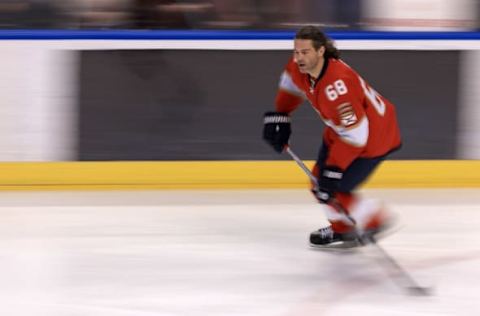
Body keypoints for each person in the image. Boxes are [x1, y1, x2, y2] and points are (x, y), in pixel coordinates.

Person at [262, 25, 402, 247]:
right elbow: (290, 82)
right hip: (342, 131)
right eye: (296, 52)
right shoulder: (300, 67)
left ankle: (375, 218)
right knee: (319, 184)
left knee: (335, 188)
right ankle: (342, 229)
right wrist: (282, 115)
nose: (298, 58)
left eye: (305, 52)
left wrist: (334, 170)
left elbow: (357, 135)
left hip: (375, 137)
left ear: (321, 52)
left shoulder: (339, 88)